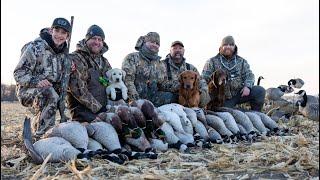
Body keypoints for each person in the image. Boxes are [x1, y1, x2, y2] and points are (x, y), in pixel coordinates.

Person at [14, 17, 72, 136]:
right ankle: (43, 135)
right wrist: (37, 81)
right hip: (27, 90)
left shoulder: (64, 55)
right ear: (51, 31)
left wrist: (69, 70)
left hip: (48, 91)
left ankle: (40, 127)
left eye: (63, 33)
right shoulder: (36, 47)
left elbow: (59, 80)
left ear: (67, 36)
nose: (59, 35)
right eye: (57, 31)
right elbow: (18, 73)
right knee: (50, 94)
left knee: (55, 94)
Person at [201, 35, 266, 111]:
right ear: (221, 47)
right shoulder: (211, 62)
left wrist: (247, 86)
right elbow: (203, 80)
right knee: (226, 112)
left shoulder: (242, 61)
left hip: (238, 93)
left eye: (231, 45)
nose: (228, 47)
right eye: (225, 45)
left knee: (259, 91)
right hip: (221, 97)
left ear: (234, 47)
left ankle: (256, 114)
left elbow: (249, 75)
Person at [67, 25, 112, 122]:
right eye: (93, 38)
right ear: (86, 40)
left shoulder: (104, 62)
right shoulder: (76, 58)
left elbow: (110, 84)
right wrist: (99, 109)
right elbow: (78, 89)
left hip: (104, 109)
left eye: (100, 39)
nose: (97, 42)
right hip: (83, 113)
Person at [122, 32, 174, 107]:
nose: (155, 45)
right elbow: (127, 80)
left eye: (157, 43)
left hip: (153, 99)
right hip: (135, 99)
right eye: (152, 42)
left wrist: (180, 84)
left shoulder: (160, 64)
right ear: (144, 42)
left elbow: (163, 84)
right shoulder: (132, 58)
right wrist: (135, 100)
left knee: (172, 96)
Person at [161, 40, 210, 107]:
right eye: (175, 48)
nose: (178, 50)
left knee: (203, 96)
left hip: (190, 98)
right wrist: (181, 86)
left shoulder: (190, 67)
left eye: (180, 48)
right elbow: (160, 84)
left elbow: (201, 81)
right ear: (170, 51)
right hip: (171, 100)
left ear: (184, 51)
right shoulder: (162, 65)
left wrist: (203, 92)